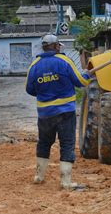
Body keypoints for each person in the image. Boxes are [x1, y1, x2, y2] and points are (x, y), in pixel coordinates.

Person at [26, 34, 91, 189]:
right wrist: (88, 75)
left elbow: (29, 89)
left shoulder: (34, 65)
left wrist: (44, 93)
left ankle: (39, 176)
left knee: (44, 142)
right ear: (55, 46)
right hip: (65, 113)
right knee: (67, 144)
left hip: (44, 114)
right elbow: (80, 82)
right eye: (58, 46)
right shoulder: (64, 61)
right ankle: (66, 181)